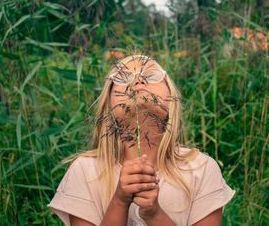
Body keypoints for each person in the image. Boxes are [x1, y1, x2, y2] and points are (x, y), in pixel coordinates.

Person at [48, 55, 235, 226]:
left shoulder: (200, 169)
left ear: (171, 99)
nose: (138, 80)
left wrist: (154, 214)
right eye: (123, 78)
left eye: (151, 75)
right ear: (109, 106)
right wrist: (119, 201)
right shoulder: (85, 171)